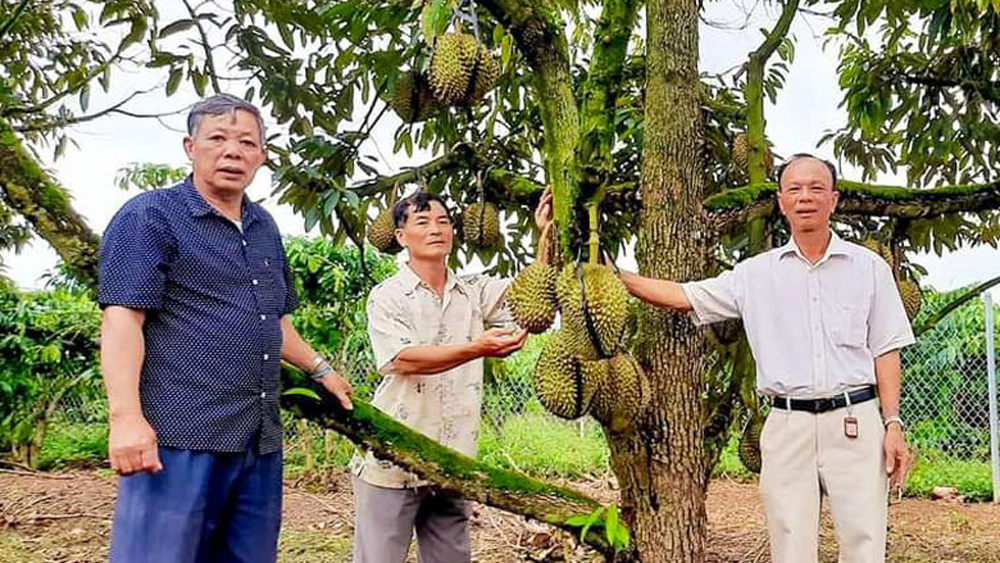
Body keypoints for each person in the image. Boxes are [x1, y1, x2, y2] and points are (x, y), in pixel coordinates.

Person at [620, 154, 914, 563]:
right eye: (795, 189)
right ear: (781, 202)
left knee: (864, 541)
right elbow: (685, 295)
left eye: (816, 188)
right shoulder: (755, 274)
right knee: (790, 543)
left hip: (855, 421)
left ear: (834, 200)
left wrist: (893, 423)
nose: (805, 197)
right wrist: (611, 275)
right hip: (786, 424)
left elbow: (887, 347)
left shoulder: (869, 269)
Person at [98, 93, 353, 563]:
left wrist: (320, 369)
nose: (232, 152)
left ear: (261, 156)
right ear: (190, 147)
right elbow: (122, 318)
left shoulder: (264, 227)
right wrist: (126, 418)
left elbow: (275, 319)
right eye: (217, 138)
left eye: (246, 143)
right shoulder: (150, 215)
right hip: (178, 438)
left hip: (256, 439)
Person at [352, 189, 552, 563]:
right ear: (400, 237)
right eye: (423, 222)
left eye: (443, 221)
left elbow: (533, 295)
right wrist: (475, 348)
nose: (436, 229)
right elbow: (403, 359)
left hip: (452, 461)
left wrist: (545, 234)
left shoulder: (473, 291)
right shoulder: (388, 296)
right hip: (392, 462)